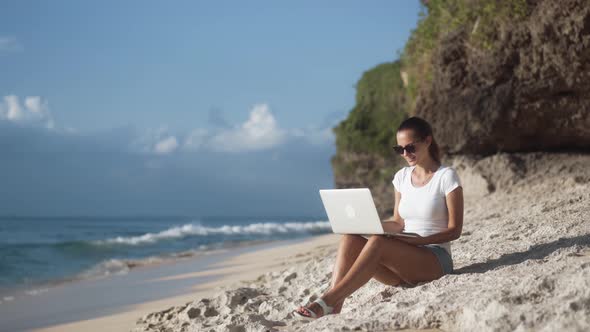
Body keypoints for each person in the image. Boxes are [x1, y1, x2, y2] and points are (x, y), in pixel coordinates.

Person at [294, 116, 464, 319]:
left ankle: (325, 301)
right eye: (399, 149)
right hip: (404, 263)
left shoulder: (446, 177)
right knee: (350, 238)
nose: (405, 154)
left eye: (410, 147)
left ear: (427, 141)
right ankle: (336, 304)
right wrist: (369, 225)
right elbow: (398, 223)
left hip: (435, 260)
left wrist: (420, 240)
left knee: (378, 243)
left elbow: (455, 230)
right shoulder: (401, 177)